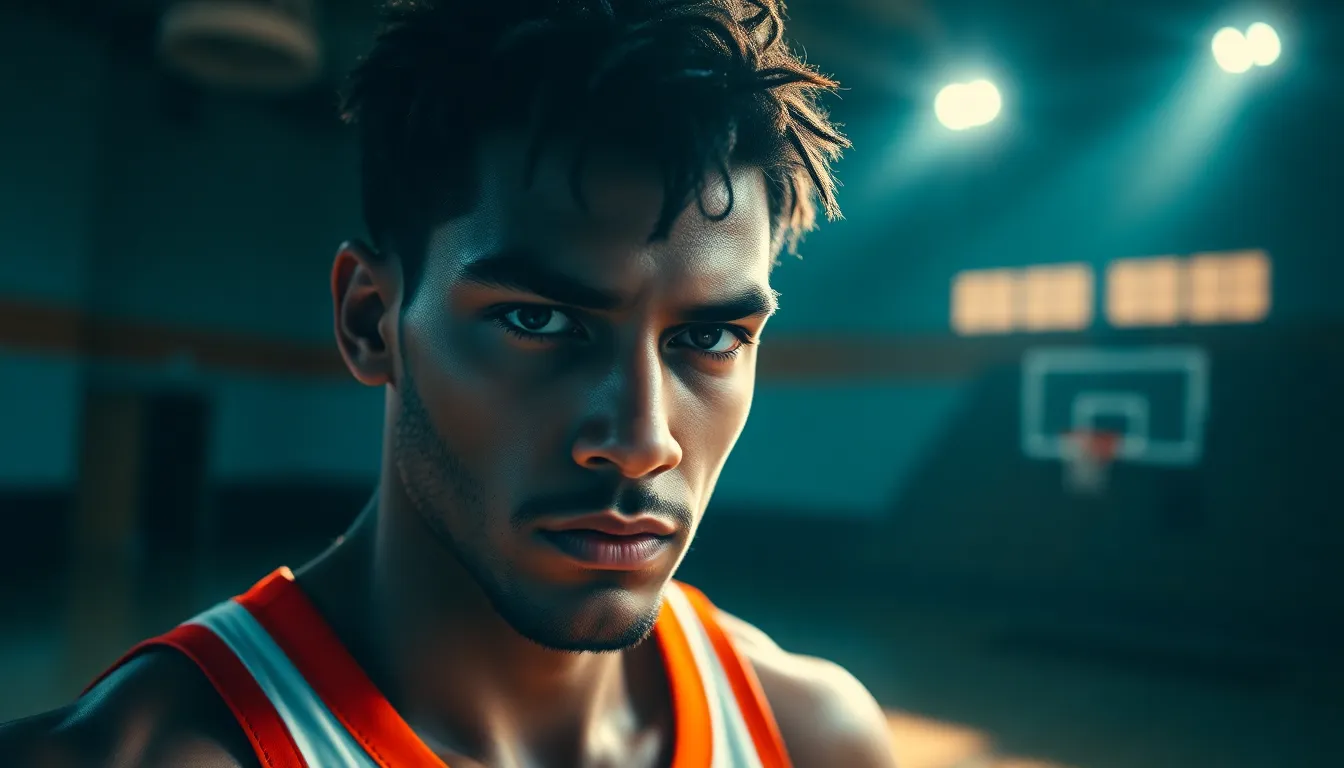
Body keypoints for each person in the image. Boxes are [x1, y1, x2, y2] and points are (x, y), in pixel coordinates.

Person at [1, 1, 897, 765]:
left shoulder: (810, 738)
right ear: (369, 320)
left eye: (707, 335)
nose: (639, 437)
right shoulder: (141, 753)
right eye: (539, 321)